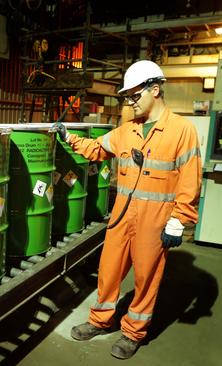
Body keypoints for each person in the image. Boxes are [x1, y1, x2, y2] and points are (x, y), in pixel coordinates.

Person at [50, 60, 202, 359]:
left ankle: (133, 332)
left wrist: (178, 220)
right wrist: (69, 138)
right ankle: (99, 320)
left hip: (155, 220)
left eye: (134, 96)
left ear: (155, 90)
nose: (130, 103)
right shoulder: (126, 130)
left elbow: (190, 179)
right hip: (122, 214)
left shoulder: (182, 130)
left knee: (146, 278)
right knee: (109, 271)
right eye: (127, 97)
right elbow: (97, 149)